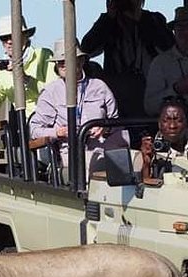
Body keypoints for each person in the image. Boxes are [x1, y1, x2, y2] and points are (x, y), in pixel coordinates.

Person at [29, 39, 128, 178]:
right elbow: (35, 130)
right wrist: (57, 132)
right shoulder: (50, 92)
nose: (63, 65)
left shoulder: (99, 87)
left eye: (67, 60)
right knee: (98, 165)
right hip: (69, 154)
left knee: (135, 160)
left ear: (81, 61)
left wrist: (105, 128)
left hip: (103, 148)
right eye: (59, 62)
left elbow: (117, 123)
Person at [80, 0, 174, 119]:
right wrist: (108, 18)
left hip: (149, 87)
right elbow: (87, 49)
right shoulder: (109, 22)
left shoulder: (153, 19)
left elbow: (169, 48)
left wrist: (141, 21)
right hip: (118, 90)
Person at [144, 7, 188, 117]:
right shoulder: (160, 63)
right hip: (178, 128)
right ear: (174, 31)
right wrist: (176, 89)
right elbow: (150, 106)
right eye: (181, 27)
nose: (186, 32)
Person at [0, 15, 57, 116]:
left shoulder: (43, 56)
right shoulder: (1, 71)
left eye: (13, 36)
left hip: (53, 117)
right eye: (4, 38)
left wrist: (24, 78)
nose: (9, 41)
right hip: (26, 125)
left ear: (26, 36)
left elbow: (55, 93)